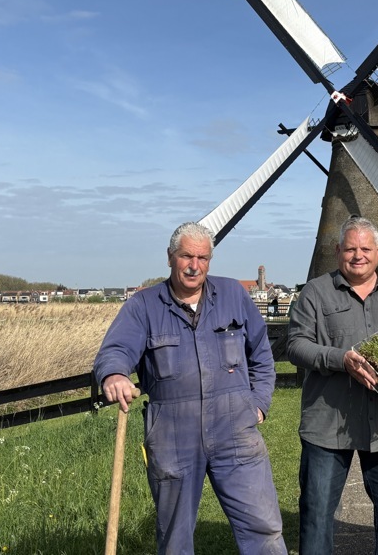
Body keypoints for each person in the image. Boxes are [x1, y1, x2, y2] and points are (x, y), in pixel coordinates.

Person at [93, 222, 287, 555]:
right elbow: (115, 351)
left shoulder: (233, 296)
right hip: (172, 435)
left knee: (263, 528)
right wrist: (114, 375)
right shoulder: (143, 307)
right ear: (171, 258)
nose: (194, 265)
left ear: (210, 260)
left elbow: (262, 355)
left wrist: (257, 405)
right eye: (186, 256)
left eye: (202, 257)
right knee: (175, 539)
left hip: (236, 431)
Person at [286, 216, 378, 555]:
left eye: (366, 248)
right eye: (350, 248)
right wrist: (341, 359)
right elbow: (295, 345)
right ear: (337, 251)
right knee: (317, 514)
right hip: (328, 423)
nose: (358, 255)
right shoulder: (315, 293)